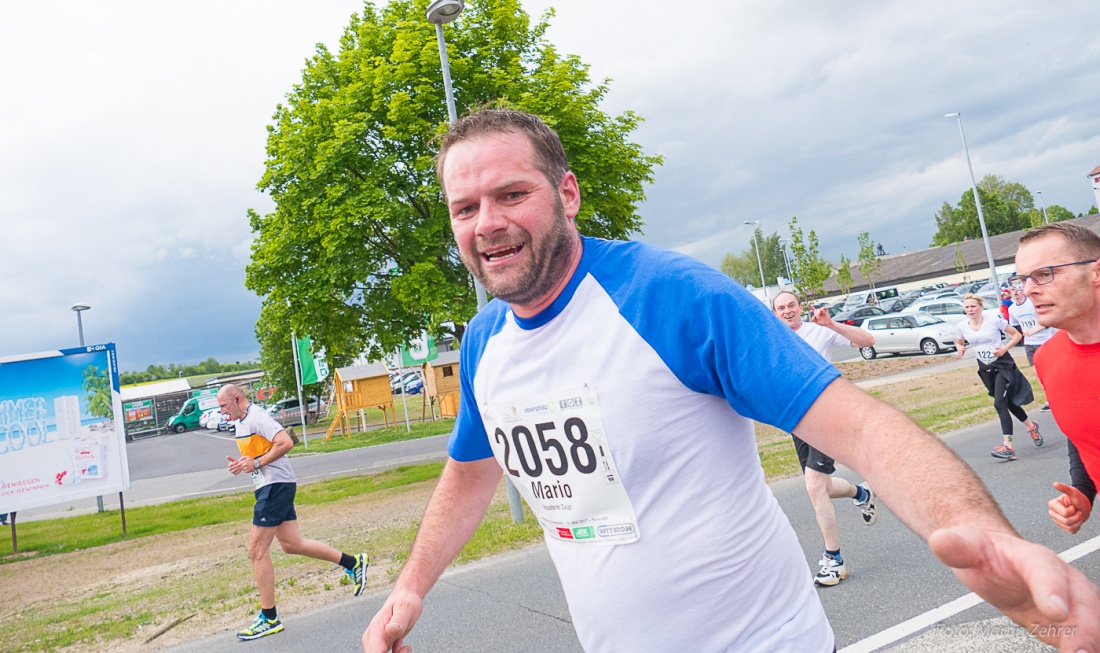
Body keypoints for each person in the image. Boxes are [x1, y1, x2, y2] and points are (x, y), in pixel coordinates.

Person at [362, 109, 1100, 653]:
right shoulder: (485, 342)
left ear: (568, 194)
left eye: (511, 194)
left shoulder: (672, 296)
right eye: (466, 207)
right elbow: (468, 472)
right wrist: (410, 587)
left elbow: (860, 428)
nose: (487, 221)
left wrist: (994, 543)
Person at [218, 384, 367, 641]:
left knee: (256, 550)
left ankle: (269, 617)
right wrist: (245, 465)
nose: (222, 412)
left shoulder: (257, 417)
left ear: (237, 399)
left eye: (223, 406)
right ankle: (353, 563)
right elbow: (258, 456)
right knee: (292, 544)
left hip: (275, 486)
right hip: (272, 485)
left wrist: (257, 462)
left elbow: (285, 442)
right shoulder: (242, 423)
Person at [772, 291, 878, 586]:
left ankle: (835, 561)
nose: (787, 311)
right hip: (797, 421)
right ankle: (861, 493)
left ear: (799, 308)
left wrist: (832, 324)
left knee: (814, 486)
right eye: (781, 308)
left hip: (826, 416)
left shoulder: (819, 331)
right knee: (823, 487)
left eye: (791, 305)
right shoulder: (773, 339)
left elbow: (867, 341)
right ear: (775, 313)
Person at [1013, 222, 1100, 535]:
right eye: (1023, 279)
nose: (1028, 289)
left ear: (1096, 273)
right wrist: (1083, 493)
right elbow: (1085, 436)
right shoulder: (1047, 359)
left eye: (1044, 274)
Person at [954, 293, 1041, 461]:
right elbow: (959, 341)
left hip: (1002, 364)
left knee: (999, 403)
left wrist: (1004, 349)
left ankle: (1008, 447)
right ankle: (1031, 426)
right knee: (1007, 402)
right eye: (967, 307)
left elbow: (1016, 335)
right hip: (985, 368)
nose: (970, 310)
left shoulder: (994, 320)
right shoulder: (962, 326)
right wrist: (960, 348)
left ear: (981, 307)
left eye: (973, 306)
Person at [1007, 283, 1055, 411]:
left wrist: (1035, 330)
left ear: (1023, 290)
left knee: (1052, 371)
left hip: (1044, 340)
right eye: (1013, 290)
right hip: (1029, 343)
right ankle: (1050, 400)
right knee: (1038, 373)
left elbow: (1048, 321)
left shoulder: (1032, 304)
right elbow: (1014, 326)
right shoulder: (1012, 309)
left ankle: (1060, 396)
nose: (1016, 292)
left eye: (1018, 289)